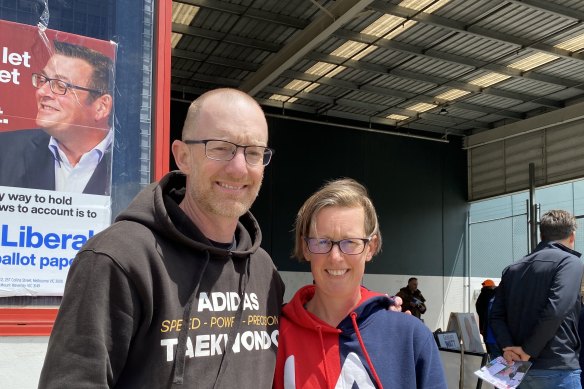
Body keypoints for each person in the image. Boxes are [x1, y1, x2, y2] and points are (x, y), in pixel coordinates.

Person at [38, 88, 285, 388]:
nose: (238, 168)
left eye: (254, 153)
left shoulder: (263, 270)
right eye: (220, 148)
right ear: (183, 156)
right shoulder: (118, 259)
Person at [273, 178, 447, 388]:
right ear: (306, 247)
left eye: (350, 242)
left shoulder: (410, 338)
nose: (335, 257)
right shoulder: (273, 335)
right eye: (322, 241)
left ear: (371, 247)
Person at [0, 40, 114, 195]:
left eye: (60, 86)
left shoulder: (136, 167)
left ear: (101, 107)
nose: (42, 92)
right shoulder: (6, 150)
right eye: (43, 80)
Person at [490, 209, 583, 389]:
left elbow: (496, 315)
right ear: (572, 236)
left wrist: (509, 348)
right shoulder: (569, 262)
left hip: (515, 368)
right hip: (556, 368)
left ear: (542, 235)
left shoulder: (512, 268)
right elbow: (556, 310)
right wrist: (527, 351)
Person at [475, 279, 500, 357]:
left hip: (484, 328)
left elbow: (479, 311)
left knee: (490, 352)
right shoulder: (495, 296)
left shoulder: (481, 297)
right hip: (495, 331)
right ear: (492, 286)